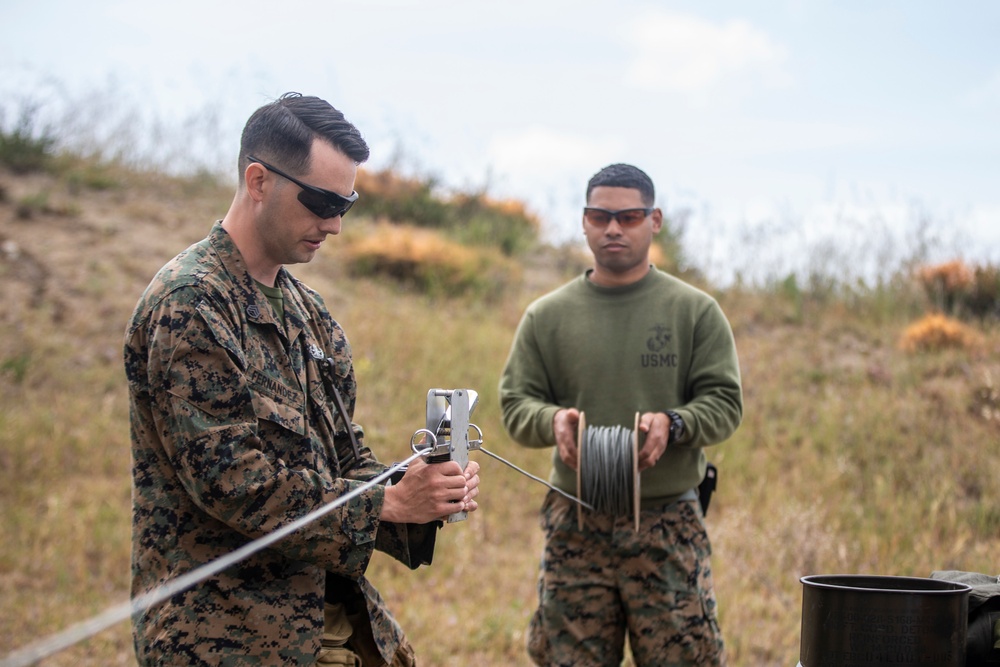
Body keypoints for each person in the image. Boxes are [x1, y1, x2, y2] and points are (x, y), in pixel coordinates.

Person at [124, 92, 480, 667]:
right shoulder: (192, 305)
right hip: (222, 636)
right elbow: (232, 483)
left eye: (347, 203)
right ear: (259, 180)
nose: (335, 224)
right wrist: (385, 505)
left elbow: (345, 457)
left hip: (324, 623)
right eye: (320, 201)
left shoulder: (309, 314)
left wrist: (420, 491)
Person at [498, 163, 742, 666]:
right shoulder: (548, 316)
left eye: (628, 216)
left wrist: (673, 424)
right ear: (584, 222)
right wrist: (553, 422)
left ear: (654, 221)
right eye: (600, 216)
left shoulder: (694, 311)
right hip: (576, 525)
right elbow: (515, 404)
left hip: (666, 523)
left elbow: (724, 404)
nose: (613, 228)